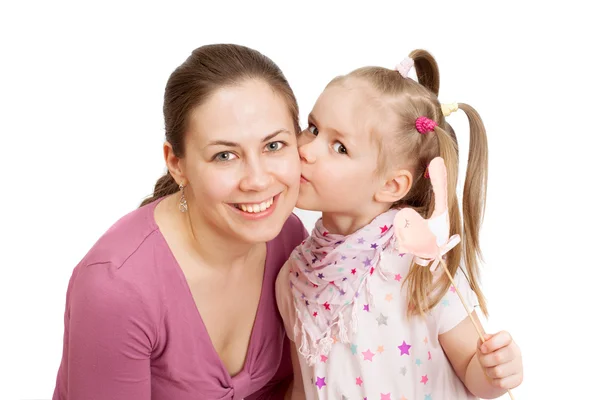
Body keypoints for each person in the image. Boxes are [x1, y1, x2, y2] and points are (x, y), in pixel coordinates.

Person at [52, 43, 308, 400]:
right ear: (177, 164)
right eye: (225, 155)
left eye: (274, 146)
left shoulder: (289, 237)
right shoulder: (116, 288)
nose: (258, 180)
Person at [276, 49, 523, 399]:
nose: (306, 150)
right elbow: (303, 386)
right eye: (312, 128)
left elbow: (474, 372)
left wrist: (495, 372)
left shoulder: (419, 262)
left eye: (339, 147)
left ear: (391, 185)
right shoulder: (295, 276)